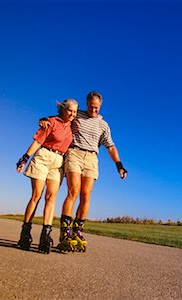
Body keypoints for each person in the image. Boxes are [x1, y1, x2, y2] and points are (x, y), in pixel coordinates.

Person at [40, 91, 127, 252]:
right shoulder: (77, 114)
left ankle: (77, 232)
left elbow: (110, 146)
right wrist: (45, 119)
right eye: (91, 107)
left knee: (86, 196)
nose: (94, 110)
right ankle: (65, 234)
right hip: (75, 153)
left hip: (92, 158)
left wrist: (119, 165)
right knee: (74, 190)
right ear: (87, 104)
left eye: (97, 108)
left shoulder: (103, 125)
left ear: (100, 106)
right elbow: (62, 117)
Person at [16, 98, 78, 254]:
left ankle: (45, 235)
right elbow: (38, 141)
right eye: (70, 110)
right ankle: (25, 233)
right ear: (63, 109)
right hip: (43, 157)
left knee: (51, 198)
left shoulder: (73, 126)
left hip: (58, 162)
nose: (72, 114)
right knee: (37, 195)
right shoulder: (50, 122)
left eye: (75, 112)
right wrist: (24, 158)